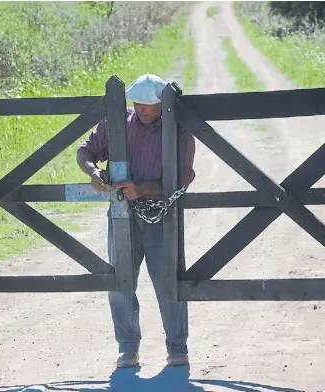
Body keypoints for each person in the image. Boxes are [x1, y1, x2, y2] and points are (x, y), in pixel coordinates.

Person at [76, 73, 196, 369]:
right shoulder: (117, 124)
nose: (143, 109)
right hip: (122, 215)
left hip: (161, 215)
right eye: (138, 103)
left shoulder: (178, 130)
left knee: (168, 279)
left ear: (162, 104)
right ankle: (128, 348)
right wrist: (92, 171)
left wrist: (142, 188)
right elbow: (85, 151)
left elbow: (183, 177)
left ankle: (177, 347)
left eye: (149, 104)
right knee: (121, 281)